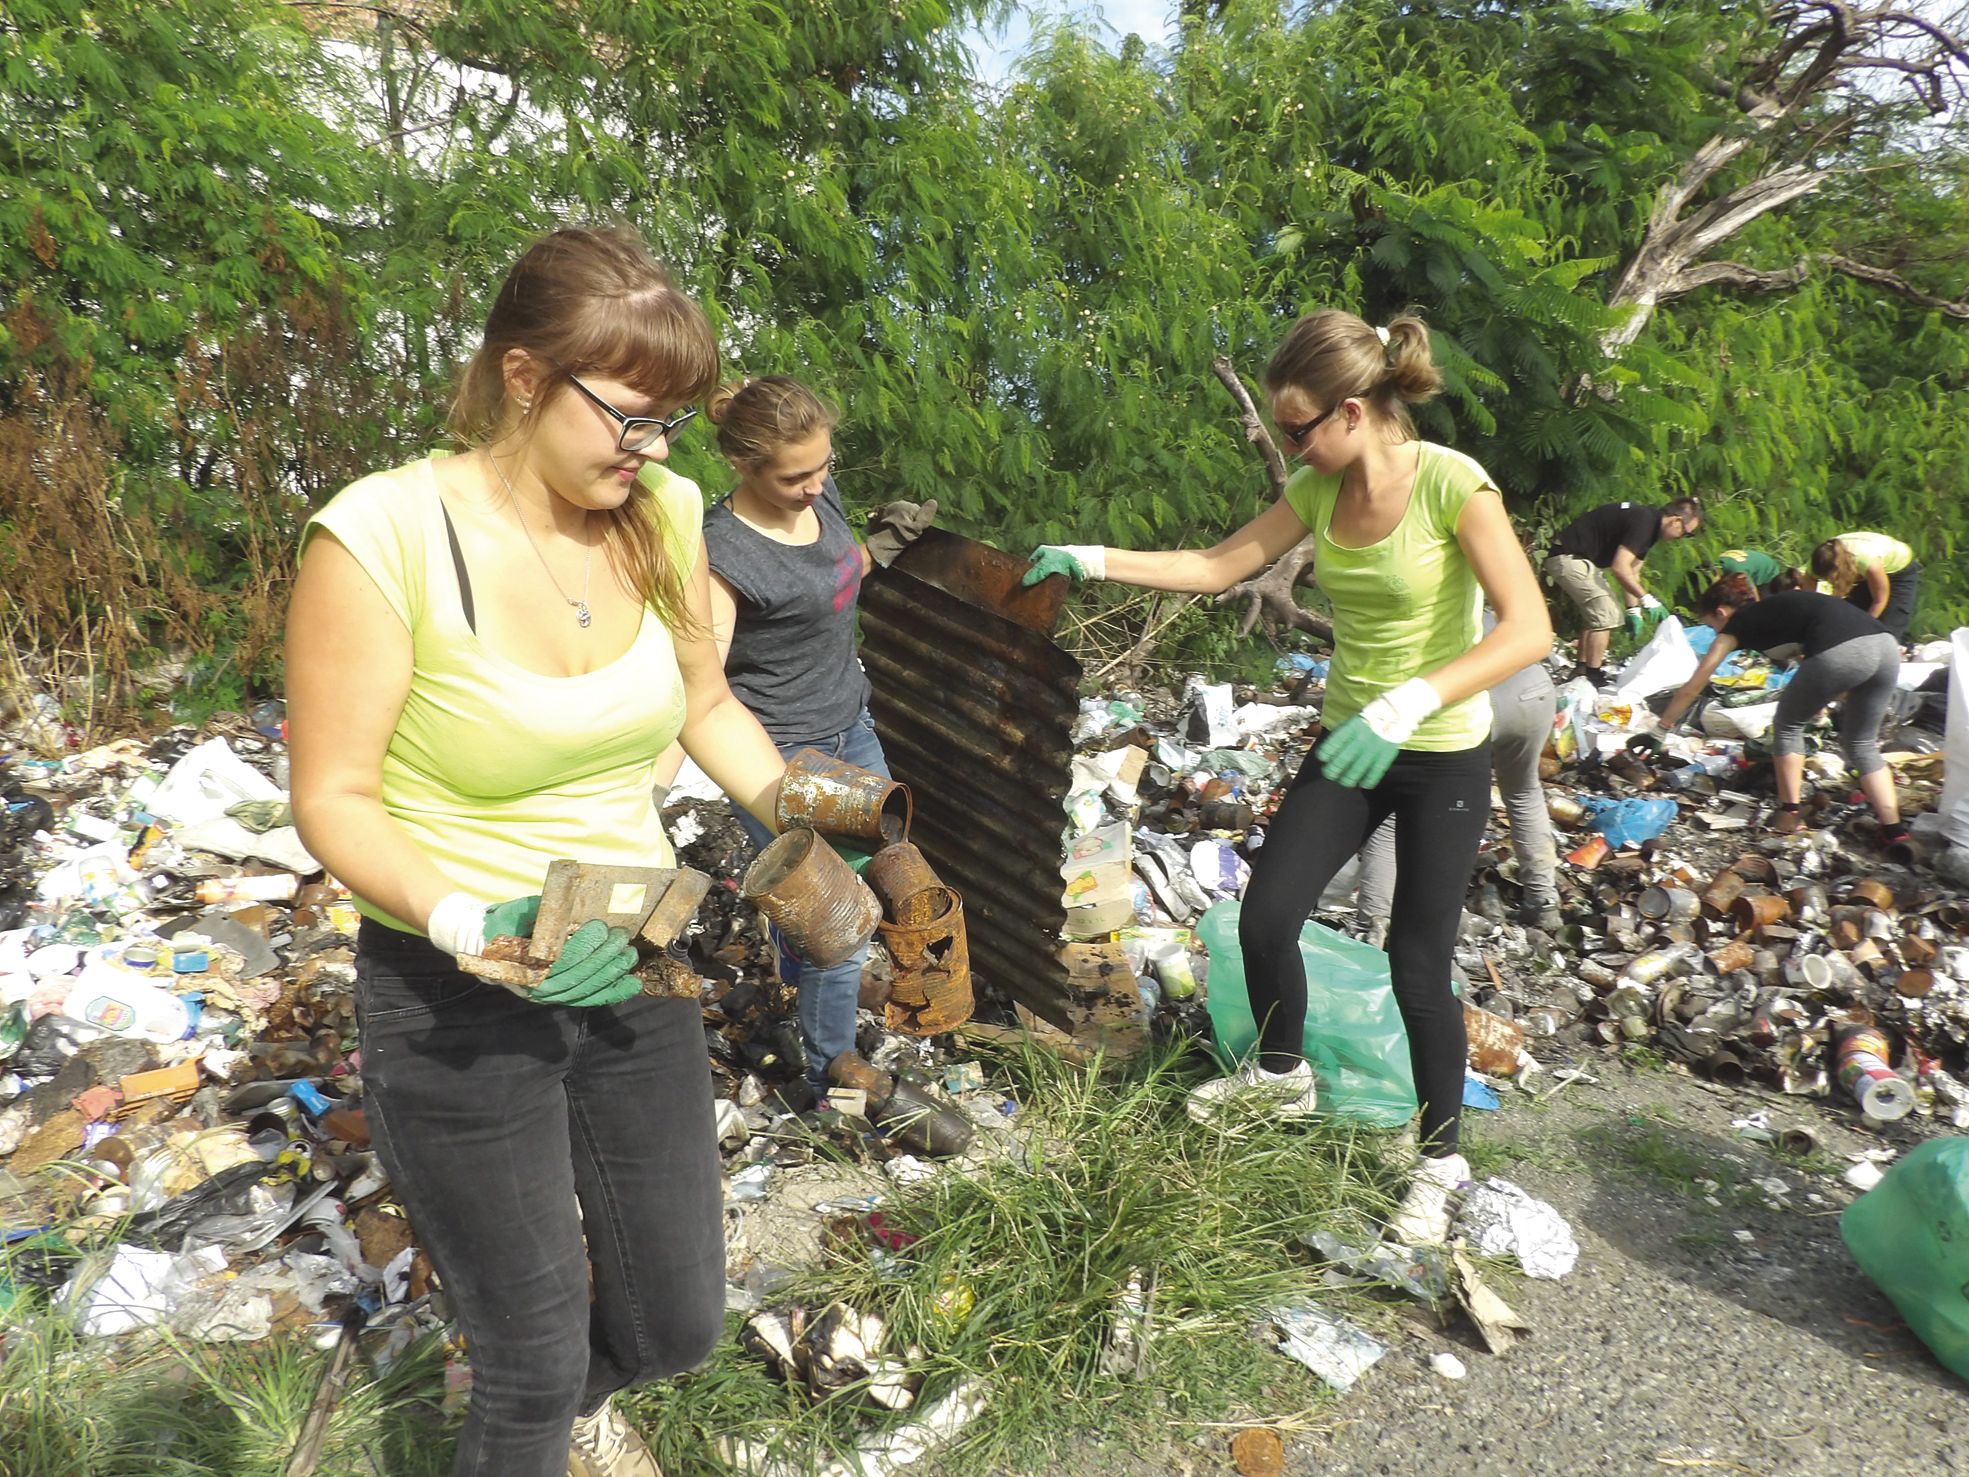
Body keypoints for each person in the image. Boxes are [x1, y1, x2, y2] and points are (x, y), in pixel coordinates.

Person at [287, 226, 791, 1477]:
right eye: (631, 417)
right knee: (530, 1362)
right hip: (452, 988)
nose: (656, 450)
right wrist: (473, 922)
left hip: (629, 959)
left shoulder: (661, 513)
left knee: (677, 1324)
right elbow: (334, 796)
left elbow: (706, 705)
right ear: (524, 379)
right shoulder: (380, 536)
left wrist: (828, 821)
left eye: (673, 421)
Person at [1023, 310, 1551, 1245]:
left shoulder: (1452, 485)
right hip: (1350, 742)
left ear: (1353, 410)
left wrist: (1409, 703)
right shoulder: (1319, 486)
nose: (1288, 444)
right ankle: (1280, 1077)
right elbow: (1217, 562)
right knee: (1266, 916)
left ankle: (1439, 1160)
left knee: (1416, 966)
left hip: (1437, 751)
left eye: (1298, 426)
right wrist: (1092, 557)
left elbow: (1526, 628)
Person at [654, 375, 934, 1099]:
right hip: (778, 762)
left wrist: (879, 547)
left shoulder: (819, 496)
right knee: (838, 925)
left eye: (823, 467)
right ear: (744, 467)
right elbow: (699, 690)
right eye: (793, 476)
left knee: (889, 869)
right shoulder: (721, 552)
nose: (814, 485)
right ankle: (828, 1070)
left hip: (853, 724)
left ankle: (803, 979)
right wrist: (648, 791)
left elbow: (832, 574)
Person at [1640, 576, 1908, 843]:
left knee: (1788, 726)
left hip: (1843, 651)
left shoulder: (1737, 626)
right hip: (1885, 647)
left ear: (1721, 612)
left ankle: (1789, 813)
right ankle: (1895, 831)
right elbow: (1816, 649)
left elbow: (1694, 685)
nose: (1713, 633)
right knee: (1861, 743)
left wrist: (1659, 730)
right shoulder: (1776, 610)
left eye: (1711, 625)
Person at [1356, 626, 1561, 938]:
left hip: (1481, 696)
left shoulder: (1419, 614)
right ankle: (1544, 901)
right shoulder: (1478, 597)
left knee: (1391, 811)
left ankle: (1375, 920)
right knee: (1523, 790)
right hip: (1536, 689)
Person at [1543, 497, 1702, 686]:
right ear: (1676, 520)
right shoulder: (1644, 522)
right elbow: (1620, 568)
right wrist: (1647, 599)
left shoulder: (1649, 527)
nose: (1681, 538)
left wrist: (1633, 609)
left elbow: (1633, 571)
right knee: (1607, 614)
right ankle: (1593, 675)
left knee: (1597, 614)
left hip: (1581, 560)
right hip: (1568, 557)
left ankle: (1582, 669)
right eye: (1685, 532)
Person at [1811, 531, 1920, 642]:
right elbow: (1810, 603)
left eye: (1833, 579)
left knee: (1885, 629)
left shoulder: (1867, 562)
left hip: (1899, 570)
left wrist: (1862, 628)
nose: (1831, 583)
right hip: (1861, 568)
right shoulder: (1818, 563)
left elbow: (1880, 600)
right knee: (1849, 615)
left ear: (1840, 569)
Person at [1717, 548, 1804, 598]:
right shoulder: (1723, 564)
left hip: (1767, 576)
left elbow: (1753, 593)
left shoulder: (1737, 571)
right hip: (1763, 568)